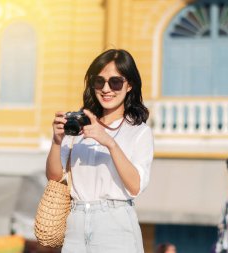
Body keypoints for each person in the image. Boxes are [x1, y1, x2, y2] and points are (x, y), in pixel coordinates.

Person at [45, 49, 154, 253]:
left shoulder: (139, 132)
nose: (106, 89)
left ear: (129, 85)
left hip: (115, 221)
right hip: (75, 221)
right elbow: (54, 177)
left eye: (115, 82)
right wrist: (57, 141)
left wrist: (109, 143)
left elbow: (135, 186)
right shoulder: (78, 125)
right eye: (99, 81)